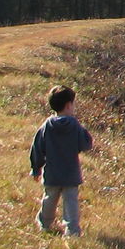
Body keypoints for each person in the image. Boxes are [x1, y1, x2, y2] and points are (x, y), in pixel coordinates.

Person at [29, 85, 93, 237]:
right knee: (71, 202)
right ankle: (72, 230)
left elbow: (37, 148)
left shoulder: (46, 126)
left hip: (52, 173)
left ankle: (45, 223)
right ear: (69, 105)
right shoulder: (74, 126)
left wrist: (36, 168)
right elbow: (86, 144)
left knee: (49, 199)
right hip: (71, 173)